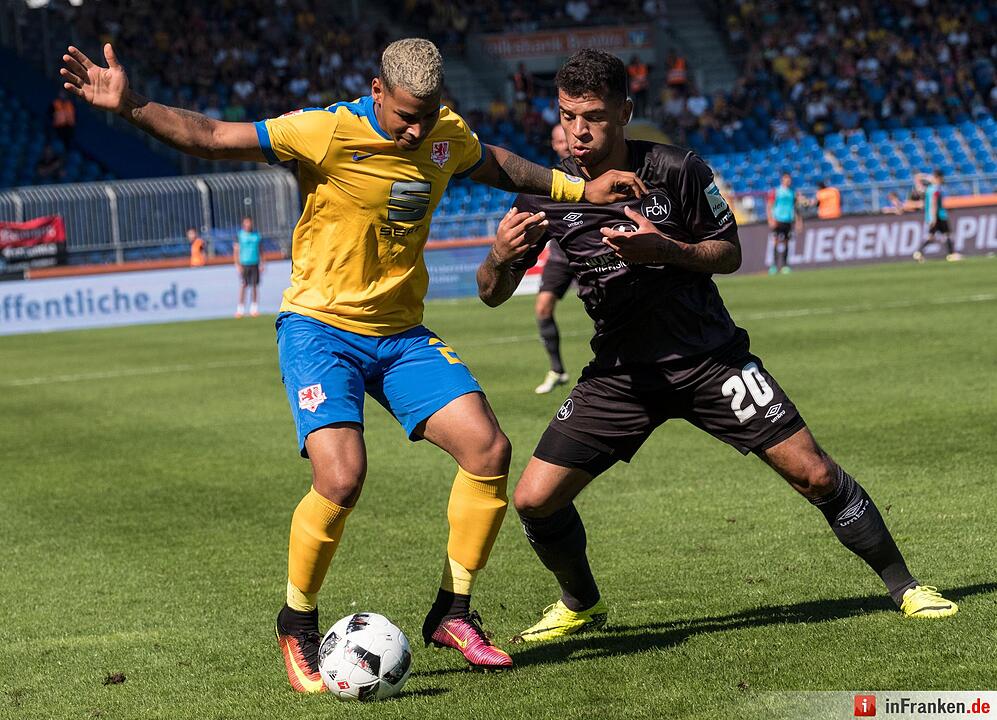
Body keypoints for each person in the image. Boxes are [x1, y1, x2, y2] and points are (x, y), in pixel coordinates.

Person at [60, 39, 643, 689]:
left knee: (487, 449)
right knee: (342, 478)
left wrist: (576, 187)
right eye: (403, 117)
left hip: (399, 335)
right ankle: (298, 622)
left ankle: (453, 613)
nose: (415, 130)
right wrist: (132, 104)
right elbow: (214, 136)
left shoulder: (443, 135)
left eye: (426, 116)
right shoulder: (323, 131)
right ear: (375, 91)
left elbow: (498, 164)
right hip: (320, 331)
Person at [476, 49, 958, 645]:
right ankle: (581, 602)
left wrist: (668, 251)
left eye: (594, 116)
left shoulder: (677, 170)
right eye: (568, 115)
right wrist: (499, 257)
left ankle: (905, 585)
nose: (579, 130)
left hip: (711, 361)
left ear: (625, 112)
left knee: (813, 474)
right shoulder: (543, 194)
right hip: (622, 375)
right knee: (534, 501)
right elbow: (491, 295)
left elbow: (729, 253)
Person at [534, 124, 574, 394]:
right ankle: (557, 370)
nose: (565, 145)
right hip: (561, 255)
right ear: (554, 145)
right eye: (559, 141)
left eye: (567, 139)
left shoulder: (596, 172)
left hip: (593, 254)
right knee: (542, 309)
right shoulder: (551, 179)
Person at [912, 170, 960, 262]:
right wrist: (933, 217)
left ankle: (919, 252)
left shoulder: (929, 189)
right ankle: (951, 254)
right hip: (939, 215)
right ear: (939, 178)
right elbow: (934, 203)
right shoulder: (936, 189)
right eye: (942, 178)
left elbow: (917, 177)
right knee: (947, 234)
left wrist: (927, 177)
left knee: (932, 236)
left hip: (931, 216)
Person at [766, 173, 800, 274]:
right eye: (786, 179)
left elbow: (796, 208)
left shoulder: (792, 192)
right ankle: (774, 266)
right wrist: (771, 219)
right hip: (778, 219)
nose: (788, 181)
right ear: (782, 180)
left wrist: (798, 221)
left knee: (786, 242)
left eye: (789, 179)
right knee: (776, 242)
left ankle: (785, 265)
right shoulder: (776, 191)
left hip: (788, 220)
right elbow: (769, 205)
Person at [233, 216, 263, 317]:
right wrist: (237, 264)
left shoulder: (256, 235)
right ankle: (240, 309)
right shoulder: (240, 235)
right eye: (246, 223)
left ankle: (254, 309)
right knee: (243, 285)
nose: (248, 225)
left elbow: (261, 250)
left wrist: (262, 263)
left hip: (255, 263)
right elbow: (236, 251)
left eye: (249, 223)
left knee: (254, 286)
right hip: (244, 263)